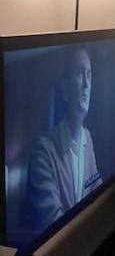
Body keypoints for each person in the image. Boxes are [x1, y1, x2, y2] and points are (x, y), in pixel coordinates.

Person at [23, 45, 102, 232]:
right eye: (80, 73)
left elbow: (96, 185)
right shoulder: (43, 151)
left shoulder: (87, 138)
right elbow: (53, 224)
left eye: (89, 75)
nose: (86, 84)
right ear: (66, 89)